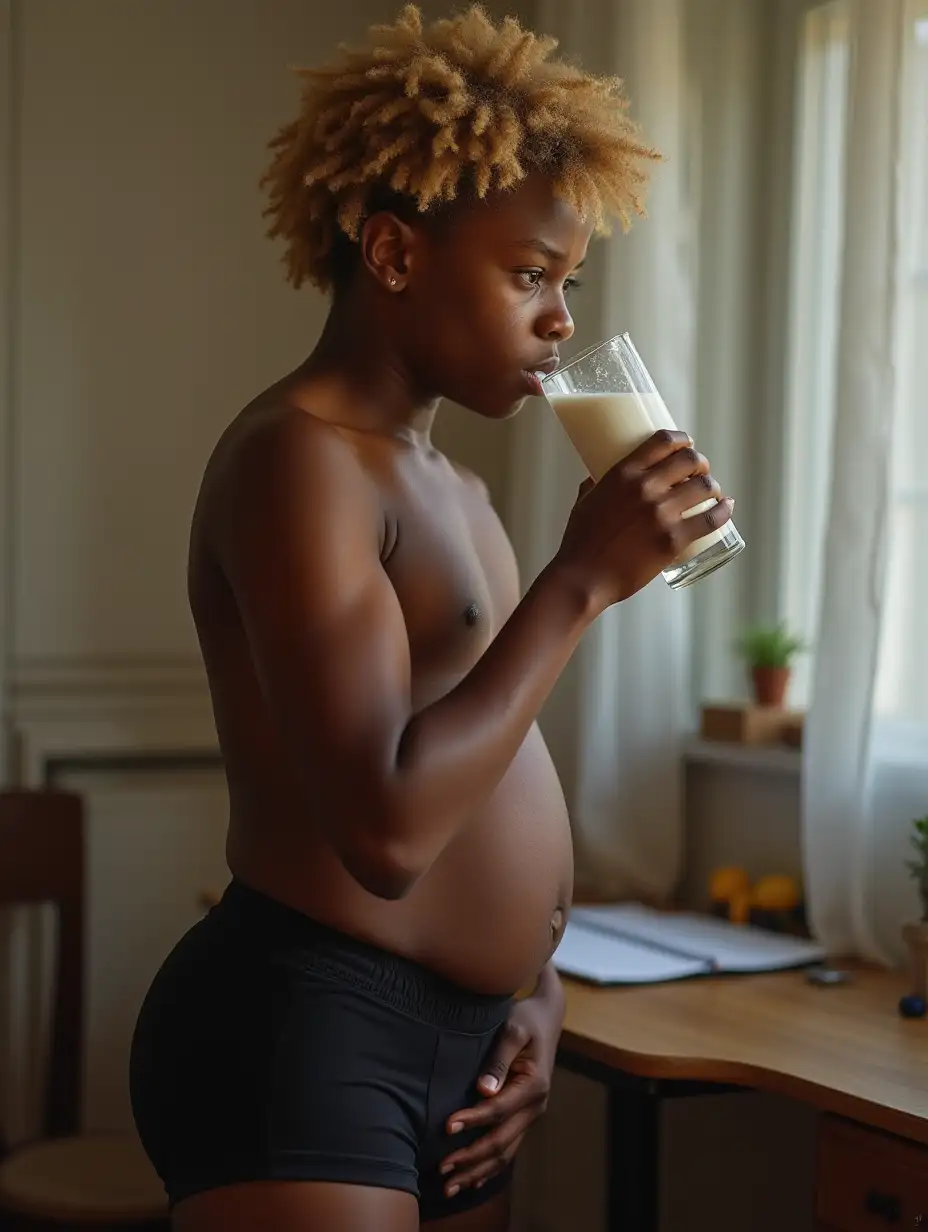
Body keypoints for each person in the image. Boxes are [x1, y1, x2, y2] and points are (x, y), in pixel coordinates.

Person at [129, 6, 733, 1230]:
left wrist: (537, 981)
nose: (560, 319)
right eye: (529, 276)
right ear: (396, 256)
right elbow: (387, 831)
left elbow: (487, 756)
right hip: (306, 1029)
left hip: (470, 1044)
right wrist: (578, 582)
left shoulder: (452, 485)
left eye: (568, 282)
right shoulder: (296, 462)